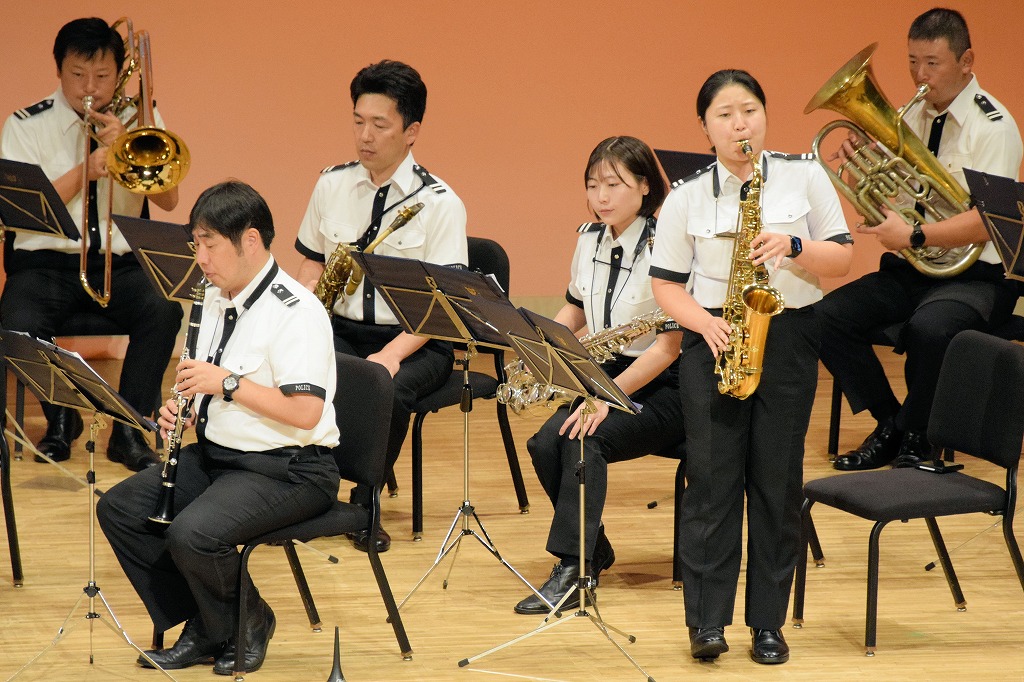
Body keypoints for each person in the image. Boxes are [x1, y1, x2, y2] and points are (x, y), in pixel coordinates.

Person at [96, 181, 341, 674]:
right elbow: (201, 382)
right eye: (197, 244)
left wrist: (227, 383)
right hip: (219, 456)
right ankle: (211, 623)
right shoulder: (211, 297)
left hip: (289, 469)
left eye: (210, 244)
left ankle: (249, 621)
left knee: (193, 534)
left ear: (250, 241)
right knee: (121, 509)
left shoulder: (296, 311)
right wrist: (179, 413)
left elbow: (305, 413)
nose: (200, 257)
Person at [650, 70, 853, 664]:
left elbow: (840, 257)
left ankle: (768, 622)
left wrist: (793, 247)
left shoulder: (804, 176)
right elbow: (665, 284)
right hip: (714, 336)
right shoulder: (686, 195)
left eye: (749, 111)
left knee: (776, 483)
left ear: (765, 114)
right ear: (705, 126)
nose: (740, 124)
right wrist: (703, 322)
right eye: (724, 115)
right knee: (711, 485)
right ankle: (706, 624)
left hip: (787, 334)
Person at [819, 8, 1023, 472]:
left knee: (928, 330)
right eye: (912, 61)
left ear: (967, 61)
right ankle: (892, 423)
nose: (918, 75)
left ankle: (919, 435)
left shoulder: (993, 126)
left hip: (981, 275)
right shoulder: (907, 120)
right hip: (918, 266)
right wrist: (859, 174)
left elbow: (987, 221)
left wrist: (912, 233)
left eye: (932, 62)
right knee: (826, 317)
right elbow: (890, 198)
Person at [295, 59, 467, 553]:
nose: (365, 136)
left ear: (411, 131)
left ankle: (366, 499)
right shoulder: (331, 184)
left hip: (417, 340)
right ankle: (305, 486)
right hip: (341, 325)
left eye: (380, 125)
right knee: (296, 369)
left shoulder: (440, 204)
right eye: (357, 121)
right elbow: (309, 263)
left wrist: (392, 354)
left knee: (383, 385)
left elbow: (442, 304)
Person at [0, 17, 184, 471]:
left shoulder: (139, 118)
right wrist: (88, 168)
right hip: (45, 263)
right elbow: (19, 212)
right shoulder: (26, 124)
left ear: (119, 72)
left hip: (121, 265)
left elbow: (168, 198)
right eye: (77, 74)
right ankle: (60, 421)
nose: (90, 87)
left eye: (102, 77)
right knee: (16, 320)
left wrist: (128, 149)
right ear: (58, 70)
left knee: (165, 309)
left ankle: (131, 428)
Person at [512, 136, 684, 615]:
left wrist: (605, 398)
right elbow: (573, 309)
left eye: (614, 184)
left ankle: (575, 568)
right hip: (608, 371)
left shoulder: (665, 244)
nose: (601, 196)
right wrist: (538, 350)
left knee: (585, 442)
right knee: (545, 442)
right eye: (593, 185)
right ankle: (595, 548)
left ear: (645, 186)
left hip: (666, 384)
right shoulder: (589, 238)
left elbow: (669, 347)